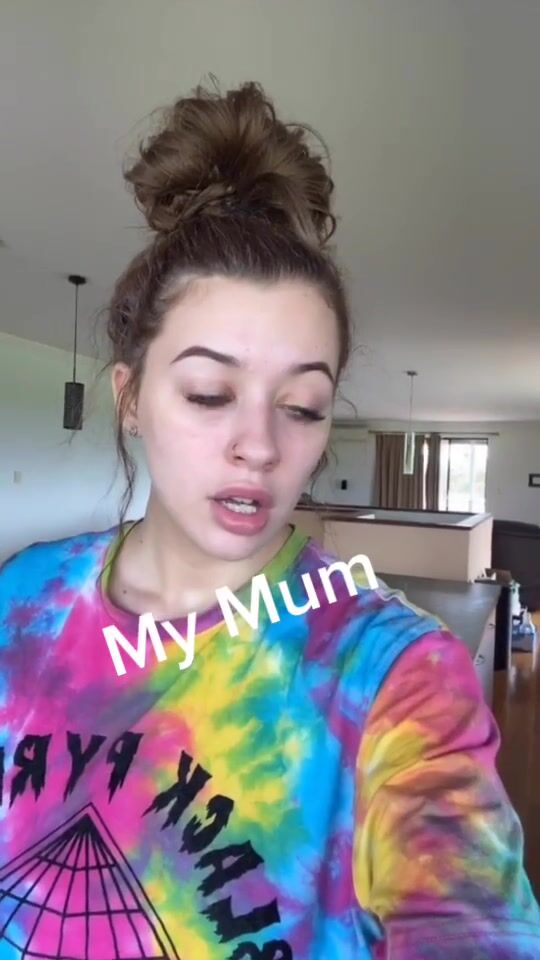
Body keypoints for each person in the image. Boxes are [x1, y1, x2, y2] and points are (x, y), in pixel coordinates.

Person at [0, 81, 538, 960]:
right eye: (210, 393)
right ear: (130, 398)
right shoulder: (24, 599)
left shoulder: (396, 675)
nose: (259, 446)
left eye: (302, 407)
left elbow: (468, 920)